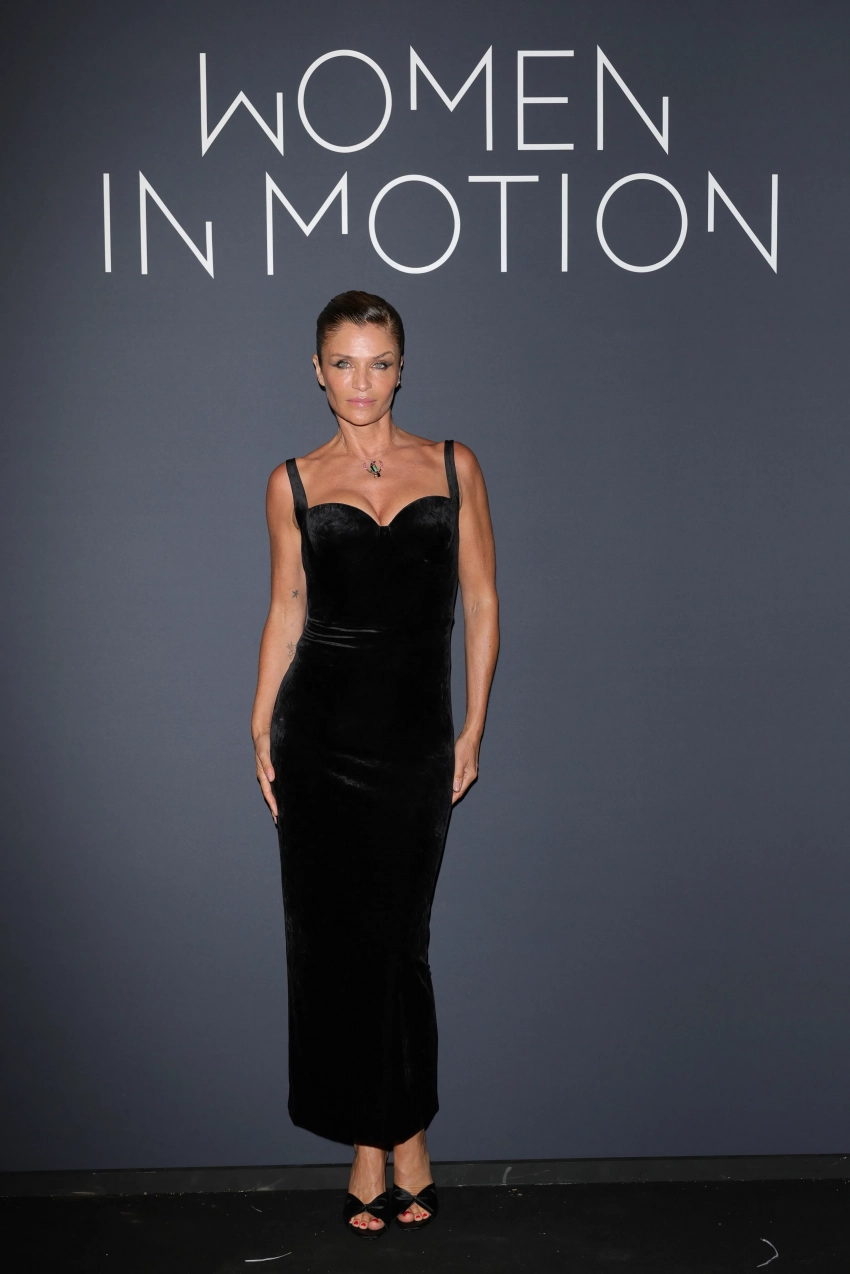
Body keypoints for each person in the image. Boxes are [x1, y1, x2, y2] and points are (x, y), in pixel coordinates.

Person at [251, 291, 499, 1239]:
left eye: (379, 362)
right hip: (317, 738)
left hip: (413, 741)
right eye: (344, 363)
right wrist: (258, 723)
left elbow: (482, 601)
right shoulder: (292, 481)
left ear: (402, 368)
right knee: (335, 948)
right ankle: (370, 1143)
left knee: (401, 941)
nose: (363, 381)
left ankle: (411, 1129)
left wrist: (473, 727)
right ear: (317, 372)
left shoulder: (453, 465)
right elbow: (287, 609)